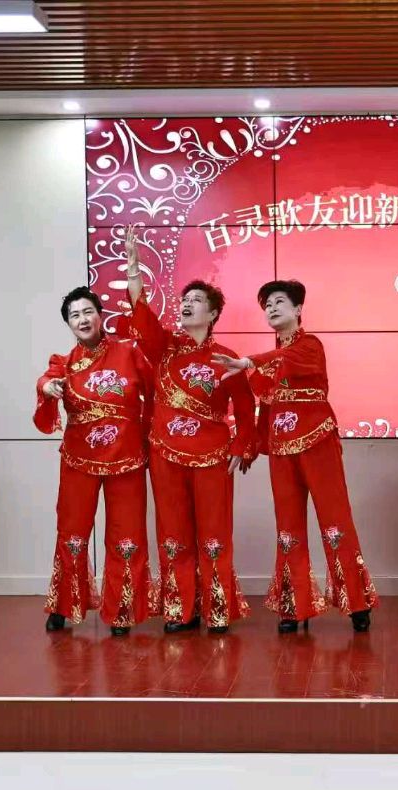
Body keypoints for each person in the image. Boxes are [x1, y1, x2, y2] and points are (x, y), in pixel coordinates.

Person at [214, 280, 378, 633]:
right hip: (281, 449)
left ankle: (356, 602)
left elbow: (286, 360)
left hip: (317, 442)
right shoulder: (268, 363)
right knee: (288, 526)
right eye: (267, 305)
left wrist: (248, 361)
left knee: (335, 521)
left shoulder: (309, 346)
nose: (272, 309)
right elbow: (266, 407)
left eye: (279, 302)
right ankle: (294, 605)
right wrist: (250, 447)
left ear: (298, 309)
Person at [123, 235, 256, 635]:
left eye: (196, 300)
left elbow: (245, 408)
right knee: (173, 534)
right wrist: (133, 267)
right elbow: (141, 316)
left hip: (213, 455)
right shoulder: (164, 347)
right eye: (184, 299)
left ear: (212, 313)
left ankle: (217, 608)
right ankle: (180, 609)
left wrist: (241, 446)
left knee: (214, 534)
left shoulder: (226, 359)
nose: (186, 304)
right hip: (165, 452)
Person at [35, 285, 155, 636]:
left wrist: (149, 436)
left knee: (127, 535)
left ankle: (122, 610)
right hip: (79, 458)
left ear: (100, 315)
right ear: (69, 324)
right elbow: (47, 380)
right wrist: (47, 388)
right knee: (71, 533)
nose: (82, 319)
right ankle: (63, 605)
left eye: (88, 311)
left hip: (126, 456)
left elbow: (155, 392)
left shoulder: (128, 351)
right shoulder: (64, 363)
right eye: (75, 315)